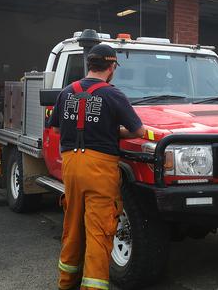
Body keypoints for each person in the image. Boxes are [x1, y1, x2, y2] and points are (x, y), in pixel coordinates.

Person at [49, 44, 145, 290]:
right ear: (111, 67)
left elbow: (58, 129)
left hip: (70, 165)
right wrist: (112, 131)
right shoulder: (113, 95)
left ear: (89, 65)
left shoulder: (67, 92)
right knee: (99, 230)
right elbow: (138, 130)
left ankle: (66, 281)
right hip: (99, 168)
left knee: (72, 225)